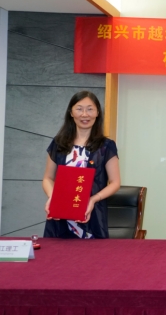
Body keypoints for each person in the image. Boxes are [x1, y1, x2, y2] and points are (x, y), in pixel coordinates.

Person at [42, 91, 121, 238]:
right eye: (79, 109)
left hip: (92, 214)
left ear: (97, 113)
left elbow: (115, 182)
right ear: (71, 113)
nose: (85, 114)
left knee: (91, 253)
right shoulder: (58, 143)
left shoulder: (106, 146)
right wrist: (54, 198)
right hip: (59, 216)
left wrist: (93, 199)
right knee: (56, 252)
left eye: (90, 109)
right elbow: (48, 178)